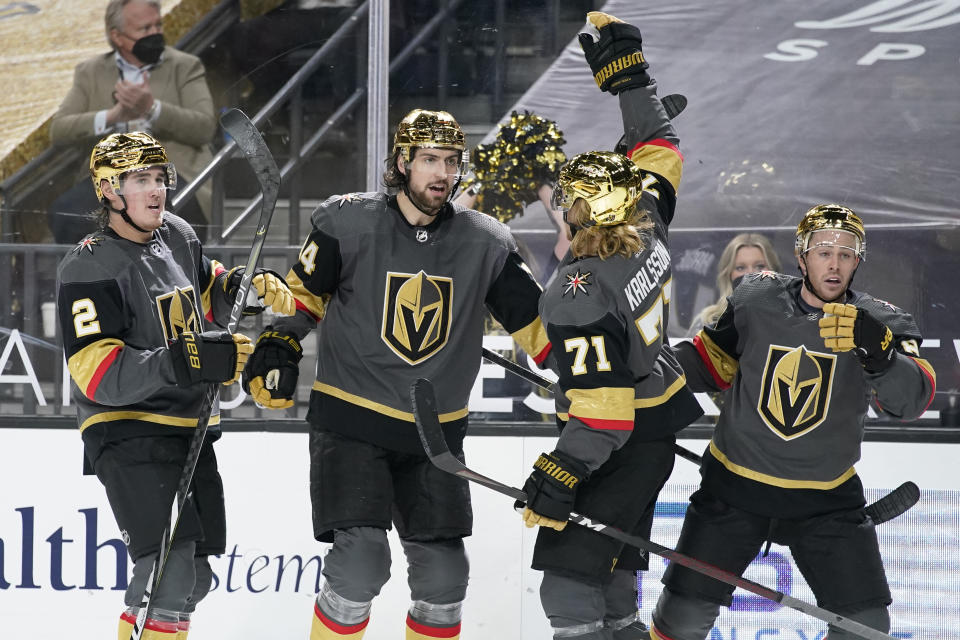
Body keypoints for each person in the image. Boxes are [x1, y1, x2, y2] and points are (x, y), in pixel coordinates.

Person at [241, 108, 552, 639]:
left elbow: (542, 333)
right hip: (352, 421)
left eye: (452, 161)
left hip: (436, 435)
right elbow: (303, 296)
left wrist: (593, 382)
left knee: (445, 582)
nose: (443, 173)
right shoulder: (346, 221)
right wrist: (279, 341)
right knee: (361, 564)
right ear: (402, 161)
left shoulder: (488, 242)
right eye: (430, 159)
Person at [647, 204, 937, 640]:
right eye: (823, 251)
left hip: (826, 501)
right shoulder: (755, 298)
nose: (835, 263)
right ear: (801, 257)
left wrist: (880, 352)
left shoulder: (883, 323)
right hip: (733, 490)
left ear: (859, 260)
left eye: (846, 253)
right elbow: (709, 363)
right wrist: (636, 380)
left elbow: (911, 400)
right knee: (680, 620)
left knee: (866, 630)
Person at [56, 131, 294, 640]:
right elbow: (96, 372)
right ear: (108, 190)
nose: (156, 190)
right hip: (127, 430)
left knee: (196, 579)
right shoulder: (89, 264)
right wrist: (184, 362)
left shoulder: (178, 235)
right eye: (141, 180)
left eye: (160, 178)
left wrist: (243, 289)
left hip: (188, 426)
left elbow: (209, 294)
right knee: (168, 574)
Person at [517, 12, 703, 640]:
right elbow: (659, 147)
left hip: (616, 442)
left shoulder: (581, 287)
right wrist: (632, 81)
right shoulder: (646, 218)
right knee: (616, 579)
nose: (562, 213)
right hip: (655, 423)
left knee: (568, 587)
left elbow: (602, 410)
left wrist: (563, 467)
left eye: (568, 203)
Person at [48, 0, 216, 243]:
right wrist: (112, 116)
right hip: (111, 175)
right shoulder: (90, 72)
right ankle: (89, 279)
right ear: (117, 36)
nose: (155, 34)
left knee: (164, 213)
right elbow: (59, 129)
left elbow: (204, 127)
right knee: (68, 213)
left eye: (158, 25)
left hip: (169, 174)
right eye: (144, 29)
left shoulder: (185, 66)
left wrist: (151, 109)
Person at [686, 233, 782, 335]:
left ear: (774, 271)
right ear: (728, 275)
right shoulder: (707, 321)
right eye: (740, 268)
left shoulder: (791, 319)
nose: (750, 274)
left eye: (759, 266)